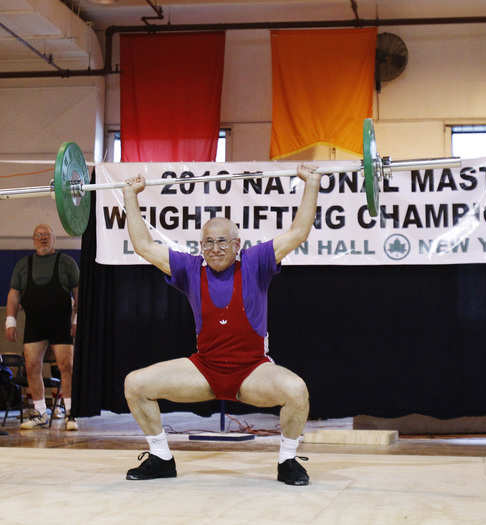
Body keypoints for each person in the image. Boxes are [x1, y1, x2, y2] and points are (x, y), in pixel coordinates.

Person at [121, 164, 320, 485]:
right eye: (208, 243)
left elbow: (298, 232)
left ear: (237, 244)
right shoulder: (188, 268)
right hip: (205, 369)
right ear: (201, 246)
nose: (214, 249)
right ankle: (160, 458)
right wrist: (130, 196)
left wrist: (311, 184)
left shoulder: (256, 262)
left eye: (222, 242)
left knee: (297, 391)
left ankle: (288, 462)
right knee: (135, 384)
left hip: (252, 370)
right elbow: (144, 246)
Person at [4, 224, 80, 431]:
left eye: (47, 235)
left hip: (61, 323)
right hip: (35, 323)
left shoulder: (66, 262)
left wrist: (76, 319)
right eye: (39, 235)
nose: (43, 238)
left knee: (67, 367)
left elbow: (77, 290)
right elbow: (14, 293)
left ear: (54, 238)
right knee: (31, 367)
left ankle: (71, 413)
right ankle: (40, 413)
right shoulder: (23, 264)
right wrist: (10, 320)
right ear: (33, 239)